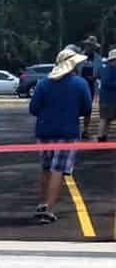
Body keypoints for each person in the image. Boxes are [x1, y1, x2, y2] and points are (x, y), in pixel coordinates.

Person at [29, 45, 93, 223]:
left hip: (44, 131)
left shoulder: (43, 83)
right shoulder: (80, 84)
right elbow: (86, 109)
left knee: (45, 168)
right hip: (67, 132)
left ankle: (42, 203)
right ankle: (48, 209)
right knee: (59, 170)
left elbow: (33, 109)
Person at [99, 46, 116, 143]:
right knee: (104, 119)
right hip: (107, 100)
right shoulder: (107, 69)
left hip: (111, 99)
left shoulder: (111, 69)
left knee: (107, 120)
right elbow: (106, 83)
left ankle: (104, 136)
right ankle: (101, 137)